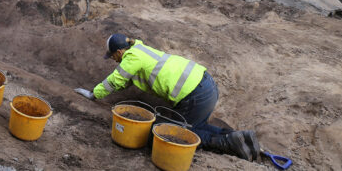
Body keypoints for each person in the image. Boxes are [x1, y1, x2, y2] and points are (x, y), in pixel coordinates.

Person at [75, 33, 260, 161]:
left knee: (172, 134)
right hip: (206, 85)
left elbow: (115, 80)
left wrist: (94, 94)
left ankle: (224, 142)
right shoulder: (141, 50)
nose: (113, 60)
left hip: (194, 94)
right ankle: (240, 139)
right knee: (198, 126)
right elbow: (125, 81)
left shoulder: (132, 58)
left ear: (119, 52)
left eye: (113, 56)